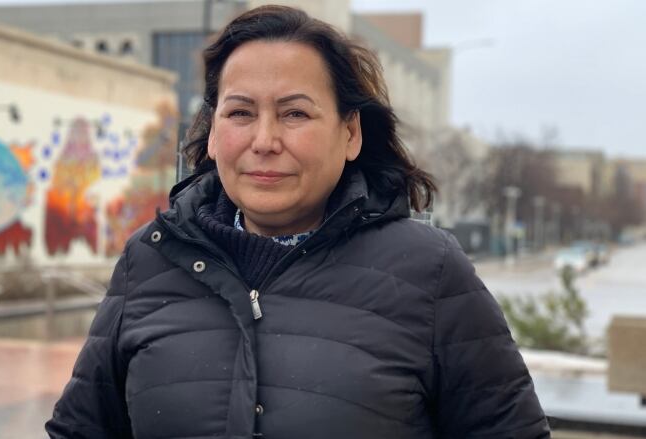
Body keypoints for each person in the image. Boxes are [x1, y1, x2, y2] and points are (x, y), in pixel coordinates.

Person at [47, 5, 550, 438]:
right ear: (214, 134)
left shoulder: (429, 271)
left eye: (294, 115)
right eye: (241, 113)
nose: (264, 140)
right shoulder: (150, 260)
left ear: (350, 133)